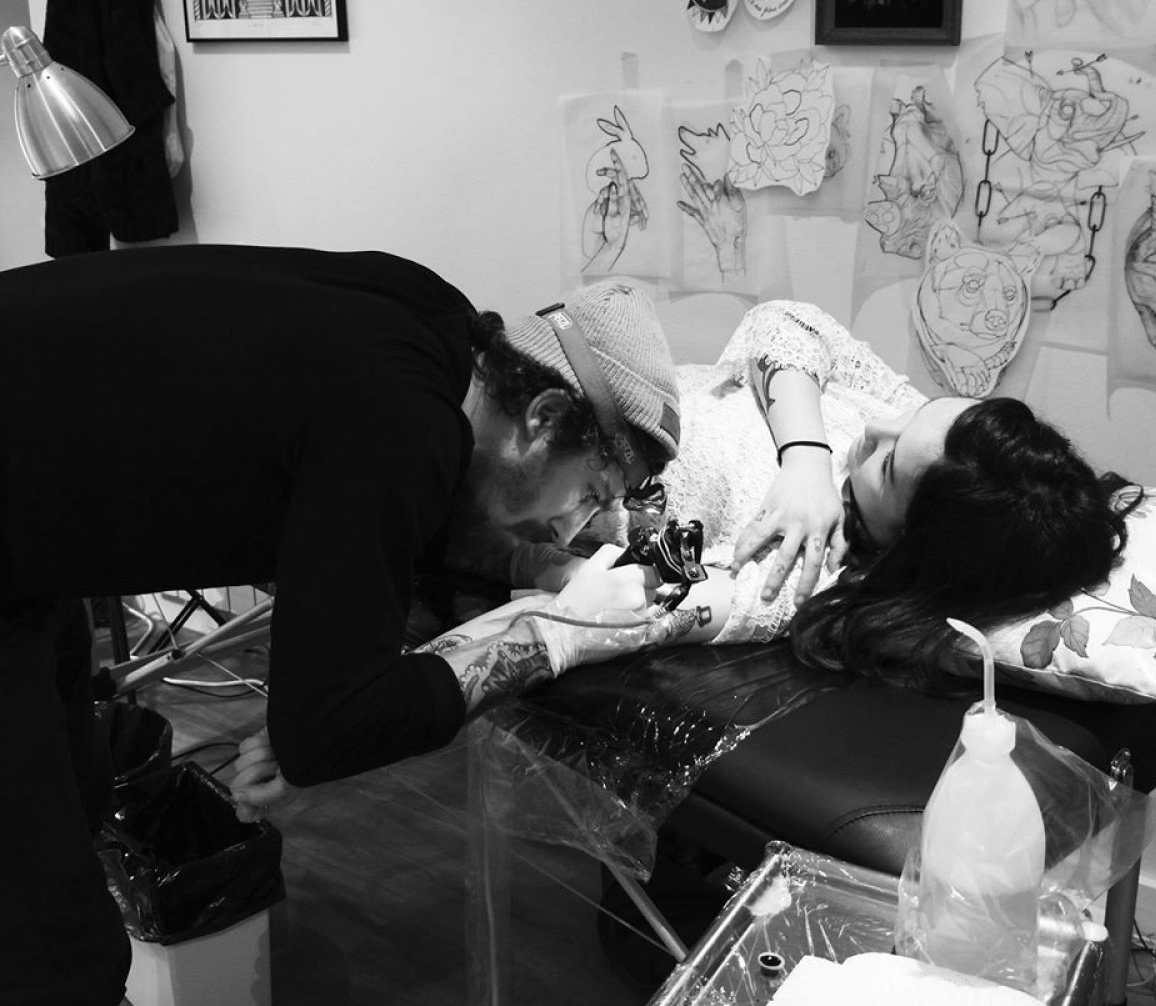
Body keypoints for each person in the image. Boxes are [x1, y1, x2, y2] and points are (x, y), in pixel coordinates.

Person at [0, 244, 685, 1006]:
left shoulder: (433, 327)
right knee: (53, 947)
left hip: (32, 542)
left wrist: (539, 570)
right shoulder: (401, 418)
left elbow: (404, 525)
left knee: (76, 789)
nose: (577, 529)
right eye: (590, 494)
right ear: (543, 416)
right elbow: (324, 729)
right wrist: (557, 636)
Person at [479, 300, 1136, 689]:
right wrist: (806, 459)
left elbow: (653, 602)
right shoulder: (921, 438)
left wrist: (528, 562)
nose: (877, 428)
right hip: (555, 420)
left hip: (532, 494)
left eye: (885, 467)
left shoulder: (804, 565)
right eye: (914, 413)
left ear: (903, 542)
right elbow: (785, 321)